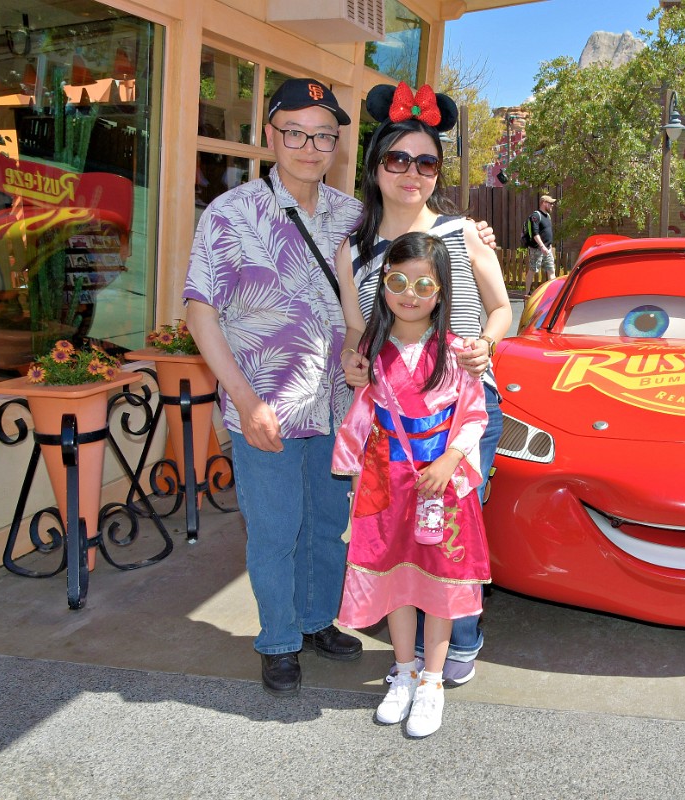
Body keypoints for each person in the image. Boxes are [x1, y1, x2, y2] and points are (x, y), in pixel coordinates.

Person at [184, 78, 497, 697]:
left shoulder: (352, 217)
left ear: (337, 146)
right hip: (266, 407)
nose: (309, 145)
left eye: (323, 134)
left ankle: (316, 620)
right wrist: (244, 402)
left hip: (343, 409)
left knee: (328, 527)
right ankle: (278, 639)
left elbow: (413, 254)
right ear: (271, 134)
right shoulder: (231, 213)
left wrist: (474, 235)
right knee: (275, 530)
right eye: (295, 132)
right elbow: (200, 311)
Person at [336, 82, 510, 688]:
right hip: (392, 419)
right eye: (398, 159)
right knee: (404, 527)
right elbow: (358, 330)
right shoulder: (354, 252)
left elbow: (501, 309)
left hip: (460, 410)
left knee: (455, 529)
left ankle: (460, 638)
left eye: (427, 161)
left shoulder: (463, 234)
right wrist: (355, 365)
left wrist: (486, 345)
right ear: (376, 164)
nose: (412, 173)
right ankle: (413, 651)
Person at [333, 231, 490, 738]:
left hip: (439, 485)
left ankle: (432, 681)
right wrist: (354, 469)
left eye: (424, 285)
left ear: (442, 291)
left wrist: (449, 460)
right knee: (397, 580)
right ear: (382, 286)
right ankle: (401, 673)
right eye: (398, 280)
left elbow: (474, 415)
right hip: (387, 483)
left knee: (440, 584)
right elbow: (363, 418)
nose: (410, 294)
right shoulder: (370, 353)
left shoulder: (458, 351)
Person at [525, 194, 557, 296]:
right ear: (544, 203)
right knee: (533, 270)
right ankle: (527, 294)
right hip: (537, 249)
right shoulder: (536, 216)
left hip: (547, 249)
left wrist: (549, 246)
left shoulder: (548, 216)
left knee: (551, 270)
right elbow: (535, 233)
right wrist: (542, 246)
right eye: (550, 203)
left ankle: (553, 296)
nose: (552, 205)